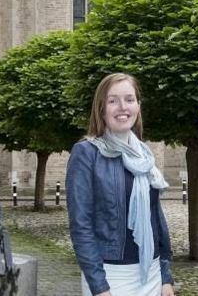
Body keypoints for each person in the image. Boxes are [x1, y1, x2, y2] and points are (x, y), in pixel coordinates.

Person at [67, 73, 175, 296]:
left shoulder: (143, 154)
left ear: (138, 105)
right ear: (101, 108)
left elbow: (156, 218)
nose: (122, 107)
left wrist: (165, 276)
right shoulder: (86, 153)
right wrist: (99, 287)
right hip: (111, 277)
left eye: (129, 99)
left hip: (151, 272)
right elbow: (81, 225)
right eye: (112, 100)